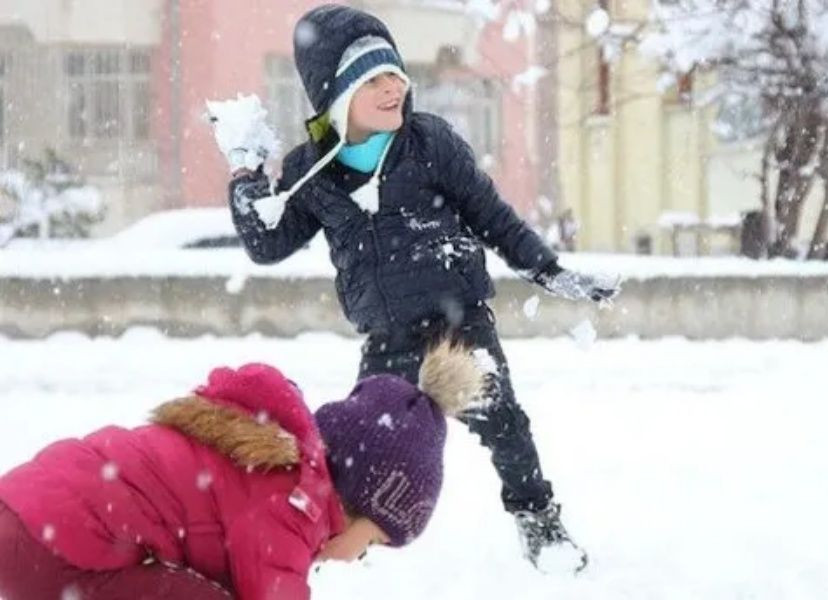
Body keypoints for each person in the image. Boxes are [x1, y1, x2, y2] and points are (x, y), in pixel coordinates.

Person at [212, 3, 619, 572]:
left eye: (395, 74)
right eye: (372, 80)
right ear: (335, 96)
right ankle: (334, 534)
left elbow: (491, 216)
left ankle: (539, 522)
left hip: (459, 326)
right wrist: (245, 172)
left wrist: (548, 270)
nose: (393, 88)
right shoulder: (312, 170)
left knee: (505, 425)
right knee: (357, 448)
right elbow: (267, 243)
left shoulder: (429, 142)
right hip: (387, 336)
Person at [0, 343, 483, 599]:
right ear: (355, 499)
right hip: (50, 552)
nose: (359, 557)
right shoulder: (293, 504)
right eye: (373, 542)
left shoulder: (273, 464)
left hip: (26, 516)